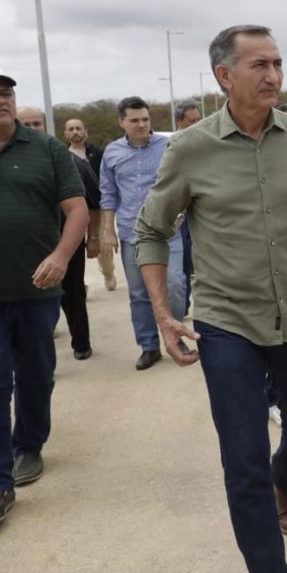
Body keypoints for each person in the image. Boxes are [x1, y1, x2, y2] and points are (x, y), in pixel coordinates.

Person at [135, 25, 287, 573]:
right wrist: (164, 314)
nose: (274, 75)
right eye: (259, 65)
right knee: (243, 456)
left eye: (278, 63)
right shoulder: (189, 147)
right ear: (224, 76)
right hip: (226, 320)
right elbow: (151, 230)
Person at [0, 63, 87, 528]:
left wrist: (61, 256)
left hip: (36, 288)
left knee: (36, 374)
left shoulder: (47, 149)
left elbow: (76, 210)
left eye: (5, 92)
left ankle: (28, 444)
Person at [100, 97, 186, 370]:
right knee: (139, 293)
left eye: (145, 119)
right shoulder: (112, 153)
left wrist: (181, 213)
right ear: (121, 122)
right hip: (131, 232)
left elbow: (185, 182)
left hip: (168, 231)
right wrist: (107, 230)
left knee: (174, 284)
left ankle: (176, 334)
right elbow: (108, 194)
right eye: (135, 120)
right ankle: (149, 347)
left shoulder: (169, 146)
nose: (141, 125)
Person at [19, 109, 102, 361]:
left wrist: (94, 237)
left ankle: (81, 342)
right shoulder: (5, 164)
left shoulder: (69, 162)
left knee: (73, 292)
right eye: (26, 124)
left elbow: (93, 203)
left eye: (37, 123)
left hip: (68, 240)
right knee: (33, 297)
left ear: (45, 125)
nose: (33, 128)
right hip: (28, 244)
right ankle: (41, 349)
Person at [65, 117, 116, 291]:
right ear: (65, 134)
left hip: (97, 206)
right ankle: (80, 281)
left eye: (78, 128)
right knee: (74, 247)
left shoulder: (98, 153)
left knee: (101, 243)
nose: (75, 132)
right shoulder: (62, 155)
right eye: (70, 129)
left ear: (85, 131)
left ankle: (108, 272)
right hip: (73, 209)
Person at [173, 102, 201, 318]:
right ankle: (181, 306)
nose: (197, 124)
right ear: (179, 121)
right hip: (180, 218)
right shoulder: (170, 147)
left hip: (203, 215)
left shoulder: (209, 144)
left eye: (199, 119)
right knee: (183, 266)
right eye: (192, 121)